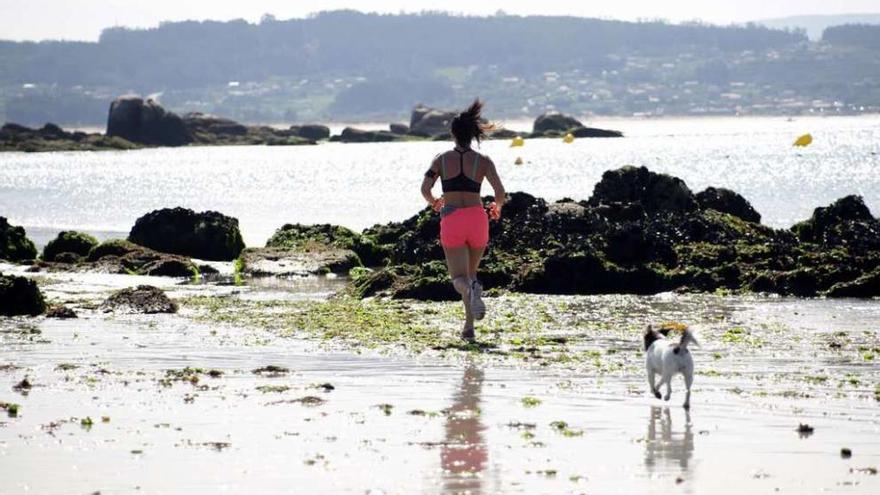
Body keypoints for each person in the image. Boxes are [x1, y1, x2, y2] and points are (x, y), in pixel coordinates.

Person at [420, 99, 507, 341]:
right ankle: (469, 328)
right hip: (478, 219)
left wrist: (434, 202)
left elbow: (425, 188)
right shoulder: (484, 161)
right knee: (471, 275)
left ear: (453, 133)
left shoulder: (441, 159)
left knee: (459, 280)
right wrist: (497, 206)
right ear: (472, 134)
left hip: (452, 218)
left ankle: (470, 293)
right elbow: (500, 192)